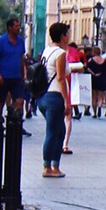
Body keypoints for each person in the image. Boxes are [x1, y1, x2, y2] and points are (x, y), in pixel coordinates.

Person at [41, 21, 70, 176]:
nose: (69, 36)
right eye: (67, 33)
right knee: (53, 132)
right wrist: (67, 101)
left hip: (44, 95)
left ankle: (54, 166)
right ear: (62, 36)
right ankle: (48, 167)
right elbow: (60, 78)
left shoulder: (47, 50)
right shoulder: (60, 54)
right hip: (54, 96)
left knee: (59, 130)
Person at [0, 18, 27, 130]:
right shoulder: (1, 41)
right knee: (1, 101)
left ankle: (14, 119)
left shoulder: (20, 41)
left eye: (19, 25)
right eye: (16, 26)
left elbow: (21, 58)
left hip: (16, 77)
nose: (18, 28)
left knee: (19, 101)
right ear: (10, 27)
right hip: (3, 76)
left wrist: (23, 72)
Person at [86, 43, 106, 117]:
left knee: (94, 96)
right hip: (102, 79)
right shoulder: (104, 60)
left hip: (94, 78)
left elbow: (88, 68)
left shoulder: (91, 60)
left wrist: (93, 73)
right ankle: (99, 106)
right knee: (100, 96)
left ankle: (95, 113)